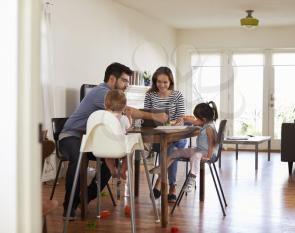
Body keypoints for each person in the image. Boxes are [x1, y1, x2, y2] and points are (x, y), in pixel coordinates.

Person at [59, 62, 168, 219]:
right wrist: (153, 116)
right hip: (71, 136)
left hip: (90, 139)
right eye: (124, 80)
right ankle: (68, 207)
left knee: (111, 158)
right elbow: (126, 109)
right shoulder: (102, 92)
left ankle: (83, 198)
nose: (126, 85)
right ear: (112, 78)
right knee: (78, 156)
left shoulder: (110, 94)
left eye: (128, 82)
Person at [151, 101, 219, 193]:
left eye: (197, 118)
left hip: (208, 152)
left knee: (195, 156)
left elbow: (212, 143)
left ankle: (192, 179)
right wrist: (184, 118)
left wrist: (209, 156)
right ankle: (162, 168)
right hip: (200, 150)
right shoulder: (205, 123)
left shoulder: (209, 128)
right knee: (176, 152)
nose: (195, 120)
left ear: (203, 119)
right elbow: (194, 122)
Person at [144, 66, 187, 203]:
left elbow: (181, 118)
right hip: (158, 136)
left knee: (172, 146)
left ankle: (160, 182)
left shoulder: (177, 95)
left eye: (165, 82)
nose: (161, 85)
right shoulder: (150, 95)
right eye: (159, 82)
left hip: (176, 135)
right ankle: (172, 187)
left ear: (170, 82)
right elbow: (146, 115)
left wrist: (178, 123)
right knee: (171, 149)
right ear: (155, 81)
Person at [104, 90, 130, 179]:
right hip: (121, 149)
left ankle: (112, 169)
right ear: (124, 107)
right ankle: (123, 170)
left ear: (105, 104)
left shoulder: (102, 117)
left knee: (107, 157)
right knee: (130, 153)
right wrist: (129, 117)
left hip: (105, 149)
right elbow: (129, 130)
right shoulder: (124, 118)